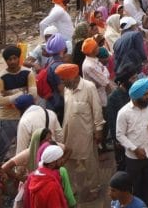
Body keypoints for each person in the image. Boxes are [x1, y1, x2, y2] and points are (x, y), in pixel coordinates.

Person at [58, 63, 103, 200]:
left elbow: (97, 110)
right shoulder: (67, 89)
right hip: (69, 134)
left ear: (74, 76)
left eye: (65, 80)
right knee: (68, 163)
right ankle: (71, 189)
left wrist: (98, 130)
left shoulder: (89, 87)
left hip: (86, 134)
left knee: (90, 163)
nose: (63, 83)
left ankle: (94, 188)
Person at [116, 77, 148, 208]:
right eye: (145, 94)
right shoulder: (123, 113)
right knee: (135, 187)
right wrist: (135, 149)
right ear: (136, 97)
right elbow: (119, 135)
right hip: (133, 158)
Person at [0, 45, 36, 158]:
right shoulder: (1, 78)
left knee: (26, 148)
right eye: (9, 59)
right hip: (8, 118)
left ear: (19, 58)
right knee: (1, 150)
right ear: (6, 61)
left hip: (26, 116)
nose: (12, 61)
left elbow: (33, 96)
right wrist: (23, 92)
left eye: (14, 58)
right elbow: (0, 100)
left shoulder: (28, 73)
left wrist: (11, 94)